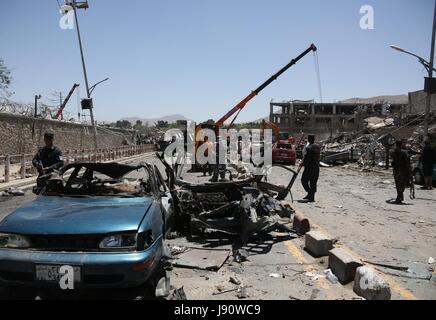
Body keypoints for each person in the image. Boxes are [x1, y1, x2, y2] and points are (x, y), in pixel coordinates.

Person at [300, 134, 320, 203]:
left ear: (308, 139)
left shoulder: (308, 148)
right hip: (316, 167)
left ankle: (310, 193)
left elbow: (306, 159)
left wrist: (302, 164)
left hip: (309, 168)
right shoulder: (317, 147)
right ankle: (311, 197)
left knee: (304, 180)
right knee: (313, 182)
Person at [391, 140, 411, 204]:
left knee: (398, 184)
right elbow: (407, 162)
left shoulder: (394, 151)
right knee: (402, 184)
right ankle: (399, 197)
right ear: (401, 144)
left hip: (396, 170)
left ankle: (400, 196)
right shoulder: (404, 152)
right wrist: (409, 171)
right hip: (402, 170)